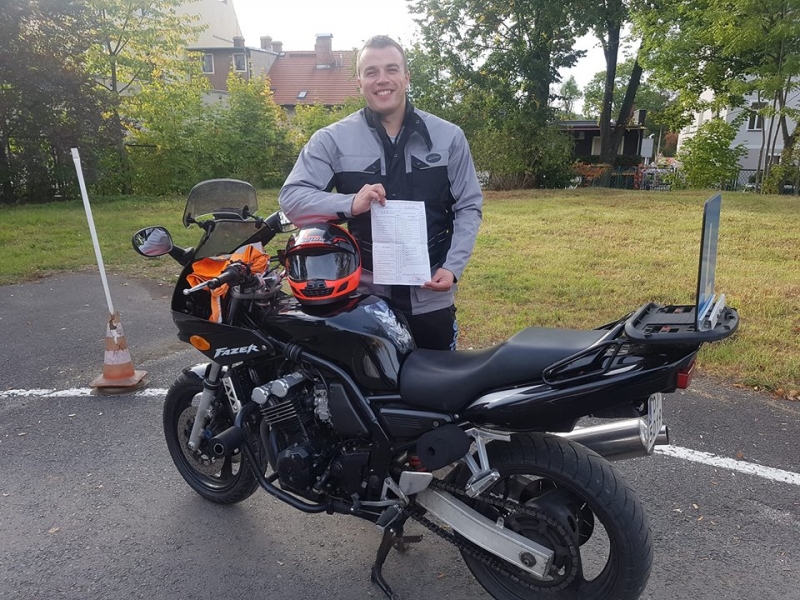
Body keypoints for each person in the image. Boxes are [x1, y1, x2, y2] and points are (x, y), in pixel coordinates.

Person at [279, 35, 483, 350]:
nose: (382, 79)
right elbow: (292, 200)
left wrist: (452, 268)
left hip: (430, 295)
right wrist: (350, 203)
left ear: (406, 77)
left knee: (437, 380)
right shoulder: (331, 140)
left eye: (391, 69)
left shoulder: (449, 137)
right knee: (363, 381)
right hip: (363, 300)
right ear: (359, 81)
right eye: (371, 72)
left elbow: (468, 206)